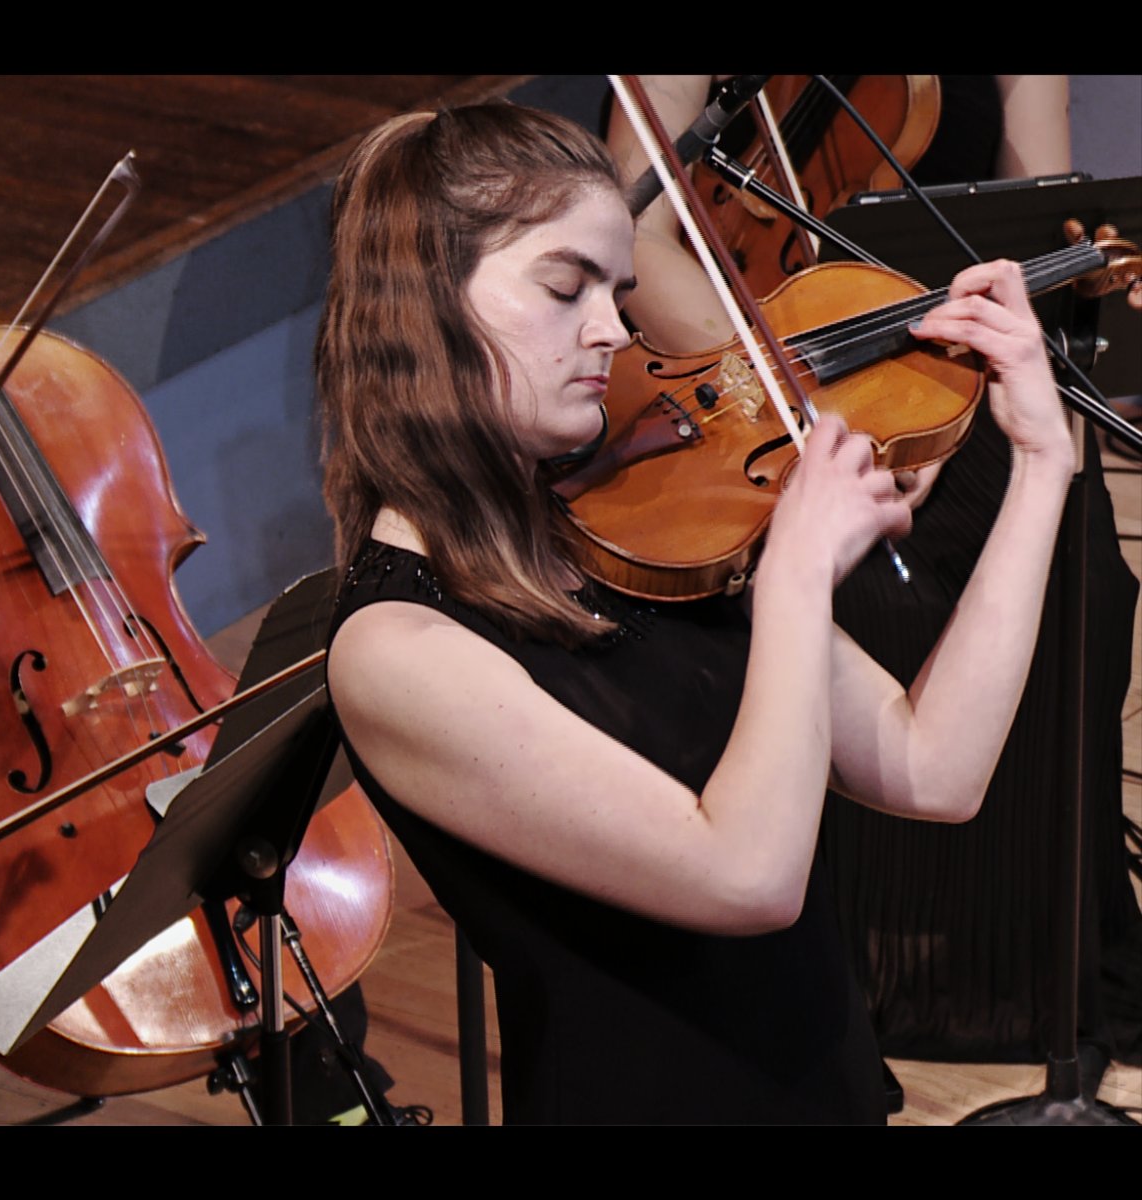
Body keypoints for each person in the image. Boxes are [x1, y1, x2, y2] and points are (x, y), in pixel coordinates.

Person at [317, 102, 1075, 1124]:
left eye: (617, 290)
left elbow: (937, 767)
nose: (612, 331)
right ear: (424, 302)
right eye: (563, 286)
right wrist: (797, 575)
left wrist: (1043, 463)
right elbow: (746, 878)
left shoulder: (630, 529)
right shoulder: (395, 647)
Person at [607, 75, 1141, 1069]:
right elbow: (634, 238)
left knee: (1088, 589)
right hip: (764, 361)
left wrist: (971, 378)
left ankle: (1034, 968)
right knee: (869, 603)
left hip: (939, 358)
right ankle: (866, 969)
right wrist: (794, 392)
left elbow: (1028, 213)